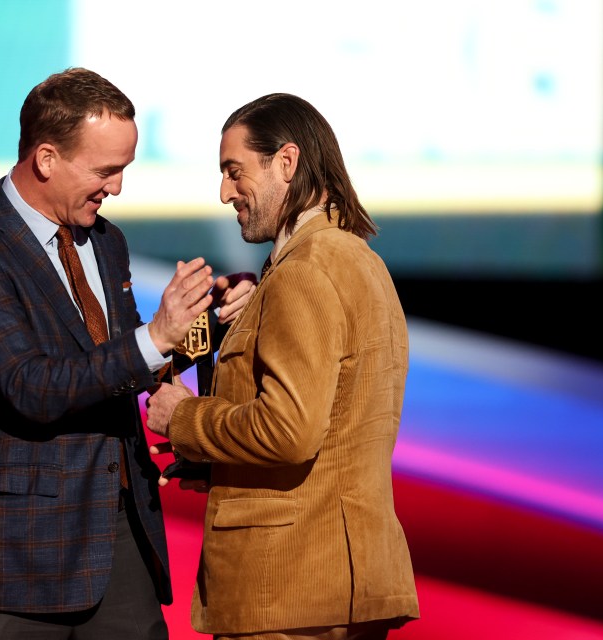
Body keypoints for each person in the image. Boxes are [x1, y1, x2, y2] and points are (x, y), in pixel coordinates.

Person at [0, 67, 243, 639]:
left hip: (120, 541)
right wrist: (156, 337)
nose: (116, 187)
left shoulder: (106, 240)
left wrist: (210, 323)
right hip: (14, 557)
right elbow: (30, 387)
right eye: (105, 170)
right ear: (46, 159)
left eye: (123, 169)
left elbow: (127, 367)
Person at [145, 93, 420, 640]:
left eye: (234, 171)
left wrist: (184, 418)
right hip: (337, 583)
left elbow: (288, 431)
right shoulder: (357, 261)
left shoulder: (306, 272)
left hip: (289, 590)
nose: (225, 192)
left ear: (286, 163)